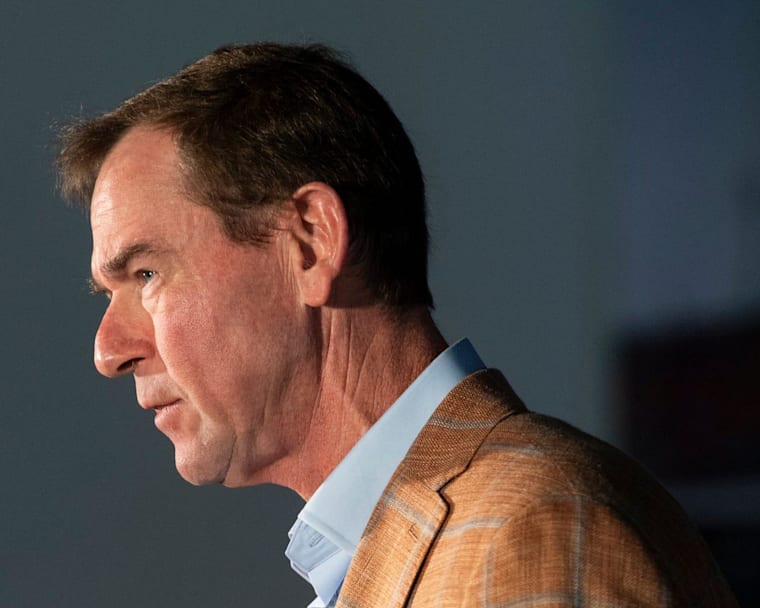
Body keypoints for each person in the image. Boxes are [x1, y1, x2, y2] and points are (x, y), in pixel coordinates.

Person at [56, 42, 737, 608]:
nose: (108, 350)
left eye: (146, 275)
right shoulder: (423, 544)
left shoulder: (530, 530)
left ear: (311, 243)